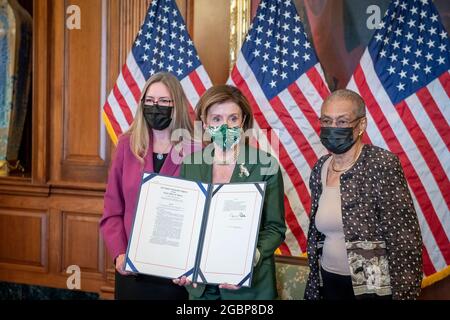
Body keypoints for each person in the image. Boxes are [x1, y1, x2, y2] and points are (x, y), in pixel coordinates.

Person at [304, 89, 423, 300]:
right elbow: (318, 234)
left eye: (342, 122)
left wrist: (405, 295)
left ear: (361, 125)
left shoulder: (381, 164)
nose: (333, 128)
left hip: (371, 289)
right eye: (327, 121)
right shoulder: (321, 167)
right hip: (328, 282)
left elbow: (404, 240)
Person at [173, 85, 286, 300]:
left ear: (243, 121)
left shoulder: (265, 165)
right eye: (216, 119)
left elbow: (275, 228)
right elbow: (184, 224)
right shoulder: (190, 164)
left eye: (232, 118)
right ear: (205, 123)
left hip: (248, 290)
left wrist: (248, 261)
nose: (225, 126)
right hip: (200, 288)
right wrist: (181, 263)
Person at [100, 72, 199, 300]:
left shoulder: (196, 149)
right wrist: (119, 253)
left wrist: (192, 264)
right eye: (150, 101)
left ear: (177, 105)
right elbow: (112, 210)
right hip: (132, 269)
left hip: (176, 273)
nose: (156, 107)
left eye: (164, 101)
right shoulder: (127, 145)